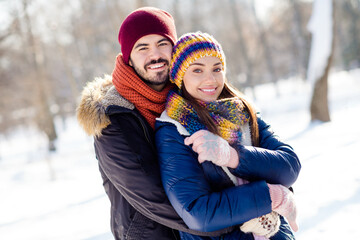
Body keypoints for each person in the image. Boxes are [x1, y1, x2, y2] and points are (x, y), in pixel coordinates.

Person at [76, 8, 232, 240]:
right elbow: (152, 196)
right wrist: (235, 219)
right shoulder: (113, 119)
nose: (156, 55)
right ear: (128, 57)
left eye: (162, 43)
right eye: (143, 48)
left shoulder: (192, 95)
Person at [155, 32, 301, 240]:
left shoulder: (241, 111)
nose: (210, 79)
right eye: (197, 70)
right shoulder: (172, 129)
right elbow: (198, 213)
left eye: (217, 68)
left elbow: (289, 167)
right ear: (180, 76)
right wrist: (272, 196)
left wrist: (234, 157)